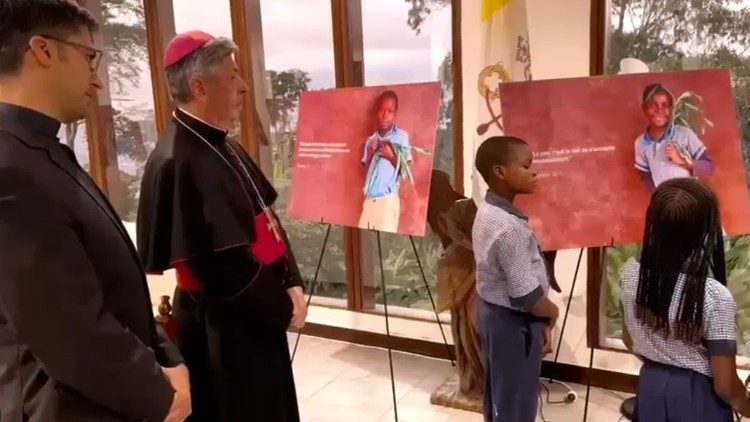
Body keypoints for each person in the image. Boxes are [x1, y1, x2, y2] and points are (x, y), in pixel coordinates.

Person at [0, 1, 190, 421]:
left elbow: (106, 285)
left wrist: (166, 354)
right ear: (44, 51)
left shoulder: (38, 150)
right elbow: (68, 331)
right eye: (89, 56)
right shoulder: (9, 167)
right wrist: (160, 395)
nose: (96, 78)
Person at [137, 30, 306, 422]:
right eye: (232, 76)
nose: (244, 86)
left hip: (255, 313)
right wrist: (281, 304)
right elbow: (224, 268)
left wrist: (291, 279)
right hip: (224, 331)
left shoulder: (222, 142)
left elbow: (266, 218)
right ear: (200, 86)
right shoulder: (176, 160)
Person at [620, 178, 750, 421]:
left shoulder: (630, 273)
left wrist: (663, 361)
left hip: (650, 385)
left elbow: (629, 339)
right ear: (706, 230)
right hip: (699, 397)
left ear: (653, 224)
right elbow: (725, 386)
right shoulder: (714, 296)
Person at [473, 136, 559, 422]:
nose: (534, 172)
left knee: (501, 393)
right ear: (499, 172)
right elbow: (527, 297)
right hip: (512, 323)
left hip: (496, 316)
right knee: (516, 403)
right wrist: (553, 314)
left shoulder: (489, 211)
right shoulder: (507, 227)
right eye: (526, 166)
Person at [436, 198, 483, 399]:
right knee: (470, 341)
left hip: (473, 315)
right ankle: (475, 380)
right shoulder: (460, 253)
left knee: (472, 340)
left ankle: (477, 381)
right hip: (468, 314)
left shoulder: (461, 253)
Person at [634, 83, 715, 192]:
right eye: (653, 105)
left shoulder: (684, 134)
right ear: (644, 108)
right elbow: (645, 175)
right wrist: (657, 194)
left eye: (665, 105)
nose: (659, 110)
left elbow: (710, 167)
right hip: (666, 203)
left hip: (691, 199)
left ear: (671, 108)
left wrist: (682, 161)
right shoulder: (640, 143)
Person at [359, 90, 411, 232]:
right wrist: (370, 153)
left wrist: (391, 156)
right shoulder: (370, 140)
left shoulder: (401, 137)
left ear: (395, 114)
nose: (384, 116)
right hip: (369, 201)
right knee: (363, 239)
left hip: (387, 202)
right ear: (377, 112)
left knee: (384, 241)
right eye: (381, 110)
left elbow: (407, 172)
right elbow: (364, 171)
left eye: (389, 111)